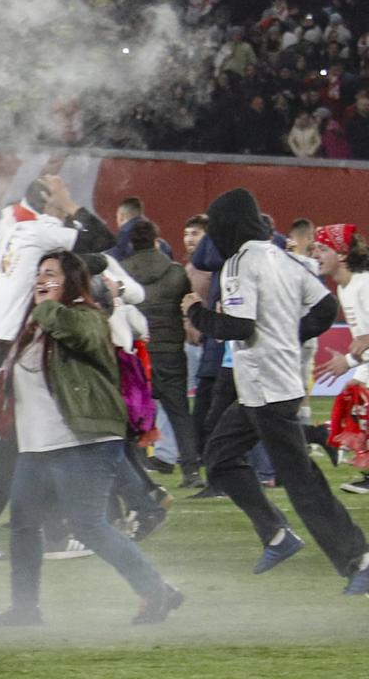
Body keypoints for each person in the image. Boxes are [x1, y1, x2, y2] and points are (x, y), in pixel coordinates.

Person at [0, 251, 184, 627]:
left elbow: (77, 335)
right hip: (35, 445)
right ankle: (25, 607)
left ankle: (155, 591)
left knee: (88, 525)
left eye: (51, 275)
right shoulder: (34, 324)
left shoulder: (89, 316)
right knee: (24, 525)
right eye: (39, 274)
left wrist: (45, 307)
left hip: (82, 442)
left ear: (73, 282)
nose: (41, 281)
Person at [186, 189, 369, 594]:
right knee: (218, 458)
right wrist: (288, 336)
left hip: (264, 387)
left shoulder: (237, 265)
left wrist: (195, 312)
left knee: (302, 482)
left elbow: (238, 327)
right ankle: (276, 535)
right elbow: (323, 309)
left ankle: (358, 559)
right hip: (269, 385)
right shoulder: (286, 258)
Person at [0, 175, 115, 563]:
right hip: (22, 346)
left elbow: (84, 258)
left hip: (11, 341)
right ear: (47, 201)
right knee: (37, 440)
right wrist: (70, 204)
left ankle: (44, 533)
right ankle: (34, 533)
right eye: (57, 196)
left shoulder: (12, 226)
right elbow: (102, 241)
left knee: (28, 443)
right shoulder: (38, 229)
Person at [119, 219, 201, 488]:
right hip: (171, 352)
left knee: (135, 414)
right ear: (156, 240)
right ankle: (191, 470)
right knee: (179, 412)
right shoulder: (176, 273)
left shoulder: (123, 274)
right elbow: (187, 304)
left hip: (138, 353)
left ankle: (139, 470)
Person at [312, 224, 369, 494]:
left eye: (323, 248)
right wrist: (350, 361)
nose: (316, 254)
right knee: (354, 404)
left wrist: (348, 361)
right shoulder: (345, 289)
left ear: (343, 255)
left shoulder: (364, 284)